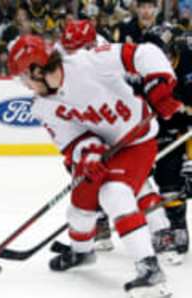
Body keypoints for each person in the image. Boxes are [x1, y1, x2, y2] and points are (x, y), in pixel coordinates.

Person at [7, 34, 182, 297]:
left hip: (137, 141)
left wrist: (160, 82)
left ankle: (149, 268)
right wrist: (87, 152)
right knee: (80, 206)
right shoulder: (42, 107)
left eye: (25, 78)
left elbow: (143, 53)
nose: (26, 86)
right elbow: (70, 140)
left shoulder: (89, 62)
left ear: (37, 69)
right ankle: (82, 252)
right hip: (103, 149)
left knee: (114, 193)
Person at [58, 19, 173, 256]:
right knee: (85, 173)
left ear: (91, 43)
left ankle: (160, 230)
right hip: (95, 129)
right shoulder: (64, 57)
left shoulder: (103, 55)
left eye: (78, 48)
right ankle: (100, 225)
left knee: (134, 182)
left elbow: (138, 70)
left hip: (123, 128)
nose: (73, 54)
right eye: (70, 49)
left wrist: (156, 89)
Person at [140, 25, 192, 262]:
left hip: (187, 126)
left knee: (183, 175)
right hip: (160, 125)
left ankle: (177, 223)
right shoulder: (139, 68)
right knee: (167, 175)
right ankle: (175, 227)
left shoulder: (189, 56)